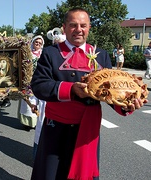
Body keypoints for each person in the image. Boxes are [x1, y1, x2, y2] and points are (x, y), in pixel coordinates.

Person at [30, 7, 146, 180]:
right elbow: (39, 86)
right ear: (64, 27)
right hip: (57, 130)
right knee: (52, 174)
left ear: (89, 27)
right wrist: (72, 90)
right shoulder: (51, 53)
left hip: (88, 130)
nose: (78, 30)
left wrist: (127, 103)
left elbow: (111, 91)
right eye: (73, 25)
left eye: (83, 25)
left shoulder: (102, 56)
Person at [19, 35, 44, 131]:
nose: (37, 44)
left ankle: (37, 121)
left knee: (38, 101)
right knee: (28, 100)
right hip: (29, 79)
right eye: (36, 42)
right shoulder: (28, 54)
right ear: (33, 43)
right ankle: (27, 123)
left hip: (39, 80)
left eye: (39, 43)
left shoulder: (43, 54)